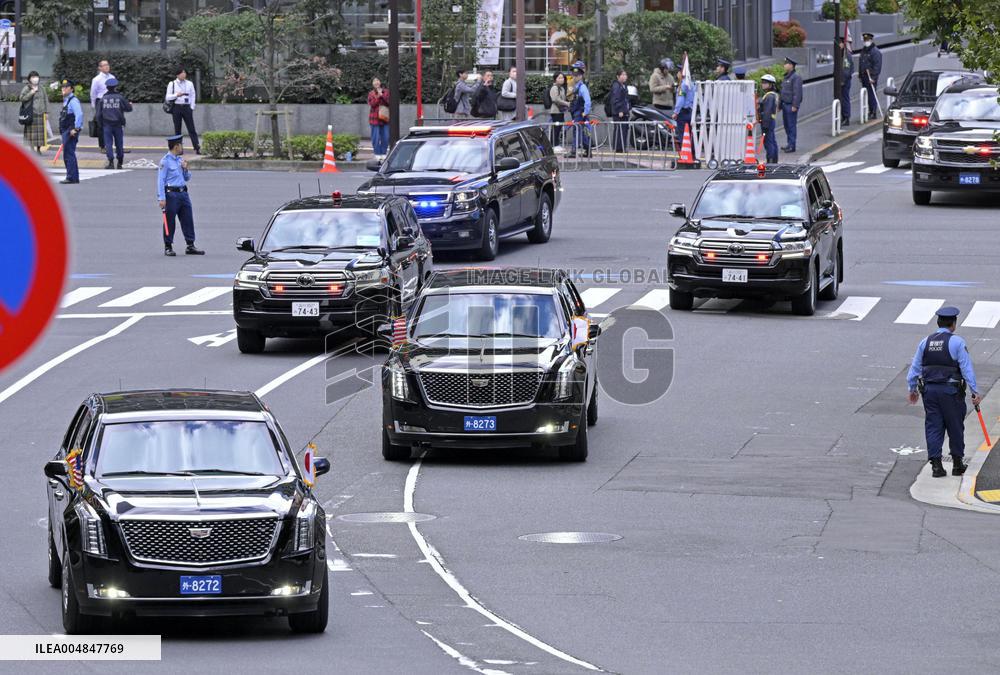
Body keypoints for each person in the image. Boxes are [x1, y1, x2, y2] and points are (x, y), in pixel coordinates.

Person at [907, 306, 981, 478]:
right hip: (951, 392)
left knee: (933, 426)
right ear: (953, 324)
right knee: (955, 426)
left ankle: (936, 466)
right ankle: (957, 464)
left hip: (930, 392)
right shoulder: (957, 342)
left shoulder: (925, 342)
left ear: (938, 322)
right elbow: (966, 369)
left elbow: (914, 369)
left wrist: (912, 390)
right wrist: (975, 391)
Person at [157, 134, 204, 256]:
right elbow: (160, 180)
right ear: (176, 146)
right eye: (181, 145)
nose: (182, 147)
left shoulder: (180, 160)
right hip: (171, 194)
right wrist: (161, 198)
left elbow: (187, 178)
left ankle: (190, 245)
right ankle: (168, 246)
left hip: (183, 193)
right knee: (170, 220)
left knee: (188, 219)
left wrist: (185, 169)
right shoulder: (165, 161)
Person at [96, 78, 132, 170]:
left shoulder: (103, 99)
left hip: (106, 124)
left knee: (108, 143)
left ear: (107, 87)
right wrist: (130, 105)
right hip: (118, 124)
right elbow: (128, 109)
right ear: (115, 87)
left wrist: (100, 124)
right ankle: (120, 163)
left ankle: (111, 162)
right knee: (119, 143)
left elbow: (99, 114)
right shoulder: (120, 97)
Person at [165, 67, 201, 154]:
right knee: (177, 129)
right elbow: (168, 97)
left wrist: (192, 107)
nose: (184, 74)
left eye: (185, 72)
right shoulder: (172, 83)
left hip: (187, 107)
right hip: (176, 107)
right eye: (182, 73)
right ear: (178, 74)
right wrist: (176, 95)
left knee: (191, 128)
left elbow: (193, 95)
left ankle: (197, 147)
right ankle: (179, 149)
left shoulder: (189, 83)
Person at [58, 79, 83, 185]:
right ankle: (73, 176)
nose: (64, 88)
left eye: (66, 87)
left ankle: (71, 177)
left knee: (69, 154)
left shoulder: (73, 100)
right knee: (68, 153)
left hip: (70, 130)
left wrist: (76, 128)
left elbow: (79, 114)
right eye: (63, 87)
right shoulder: (66, 100)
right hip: (66, 130)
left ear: (71, 89)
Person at [566, 61, 592, 159]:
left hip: (580, 113)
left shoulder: (582, 87)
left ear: (581, 76)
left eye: (577, 75)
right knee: (583, 132)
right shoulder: (576, 86)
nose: (575, 76)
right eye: (574, 74)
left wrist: (585, 112)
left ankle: (573, 151)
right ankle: (588, 151)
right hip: (577, 113)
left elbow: (588, 101)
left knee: (576, 131)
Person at [18, 71, 47, 154]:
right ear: (29, 79)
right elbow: (21, 98)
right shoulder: (27, 88)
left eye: (36, 76)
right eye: (33, 77)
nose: (35, 78)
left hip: (40, 113)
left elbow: (46, 100)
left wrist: (47, 112)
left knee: (40, 135)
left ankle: (38, 149)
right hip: (31, 113)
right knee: (31, 134)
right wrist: (31, 93)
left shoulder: (42, 88)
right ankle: (32, 149)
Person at [780, 57, 803, 153]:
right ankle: (789, 143)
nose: (785, 65)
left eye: (786, 64)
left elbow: (797, 93)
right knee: (786, 125)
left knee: (791, 125)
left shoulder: (796, 77)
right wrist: (779, 105)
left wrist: (795, 105)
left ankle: (792, 145)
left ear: (791, 66)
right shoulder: (786, 77)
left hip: (791, 105)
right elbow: (783, 92)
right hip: (785, 104)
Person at [859, 32, 883, 121]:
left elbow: (877, 66)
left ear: (871, 40)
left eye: (867, 40)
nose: (866, 42)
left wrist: (873, 77)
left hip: (871, 77)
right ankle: (869, 110)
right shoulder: (864, 50)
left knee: (871, 94)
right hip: (864, 76)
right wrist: (860, 74)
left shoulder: (875, 51)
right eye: (865, 40)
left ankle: (873, 111)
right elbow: (861, 62)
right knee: (866, 95)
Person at [90, 59, 113, 150]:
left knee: (111, 123)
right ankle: (102, 146)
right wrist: (94, 104)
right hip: (100, 101)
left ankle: (110, 144)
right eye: (104, 65)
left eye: (107, 64)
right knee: (101, 125)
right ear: (100, 68)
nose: (107, 66)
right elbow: (93, 93)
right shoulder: (96, 79)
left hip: (111, 101)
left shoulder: (112, 77)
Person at [758, 74, 779, 164]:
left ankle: (770, 161)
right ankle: (773, 160)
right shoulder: (771, 95)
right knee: (772, 140)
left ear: (771, 85)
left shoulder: (769, 96)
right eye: (762, 82)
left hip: (767, 122)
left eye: (765, 83)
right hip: (770, 121)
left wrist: (765, 125)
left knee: (768, 142)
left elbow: (767, 111)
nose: (763, 84)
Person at [367, 78, 390, 160]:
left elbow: (388, 102)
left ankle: (383, 153)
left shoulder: (386, 92)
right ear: (373, 84)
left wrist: (382, 95)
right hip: (374, 118)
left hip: (384, 117)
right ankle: (377, 153)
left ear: (380, 82)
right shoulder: (371, 93)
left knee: (386, 137)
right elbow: (372, 104)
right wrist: (378, 97)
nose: (376, 82)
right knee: (375, 137)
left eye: (377, 80)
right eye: (374, 81)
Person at [673, 63, 695, 146]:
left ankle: (685, 156)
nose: (677, 74)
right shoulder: (691, 84)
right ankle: (692, 155)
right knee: (689, 134)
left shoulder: (683, 85)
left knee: (683, 135)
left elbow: (681, 99)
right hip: (690, 111)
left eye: (678, 72)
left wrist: (676, 112)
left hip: (683, 112)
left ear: (681, 73)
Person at [547, 72, 570, 149]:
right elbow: (555, 99)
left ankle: (556, 144)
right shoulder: (554, 88)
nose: (561, 79)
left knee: (559, 128)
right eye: (559, 78)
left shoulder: (562, 88)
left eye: (562, 78)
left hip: (560, 111)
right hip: (555, 111)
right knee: (556, 129)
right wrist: (566, 103)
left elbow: (562, 99)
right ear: (555, 79)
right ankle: (554, 145)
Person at [610, 69, 630, 152]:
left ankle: (621, 147)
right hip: (619, 112)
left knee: (624, 129)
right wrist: (620, 110)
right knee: (620, 129)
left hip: (624, 111)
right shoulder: (616, 86)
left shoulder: (623, 85)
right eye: (623, 75)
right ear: (618, 76)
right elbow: (616, 99)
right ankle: (619, 148)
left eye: (625, 75)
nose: (625, 76)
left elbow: (625, 99)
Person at [839, 36, 853, 127]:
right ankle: (842, 116)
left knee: (845, 99)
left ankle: (846, 117)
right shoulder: (839, 54)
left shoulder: (846, 55)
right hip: (839, 81)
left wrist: (843, 80)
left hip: (845, 81)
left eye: (839, 43)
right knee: (840, 100)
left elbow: (847, 70)